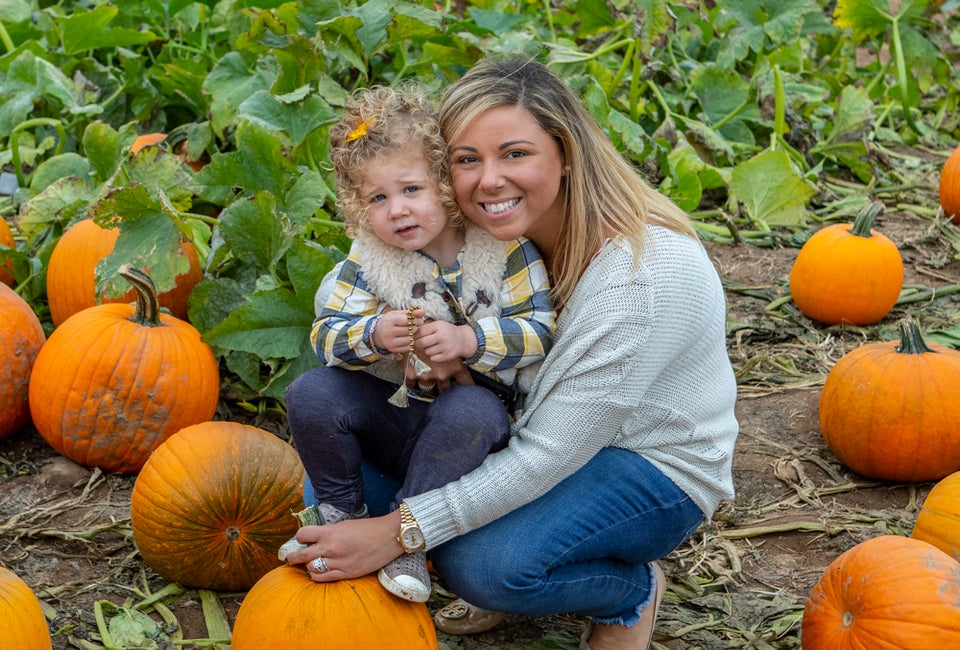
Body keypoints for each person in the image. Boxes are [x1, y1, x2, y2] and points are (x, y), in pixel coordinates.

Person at [284, 57, 738, 650]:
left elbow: (544, 456)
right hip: (521, 431)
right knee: (333, 493)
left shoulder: (640, 282)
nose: (488, 181)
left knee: (484, 565)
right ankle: (451, 547)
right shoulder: (494, 246)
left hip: (643, 462)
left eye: (515, 154)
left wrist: (400, 532)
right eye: (468, 160)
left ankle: (628, 593)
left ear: (567, 152)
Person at [282, 83, 555, 604]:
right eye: (377, 199)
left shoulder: (503, 250)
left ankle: (408, 539)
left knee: (470, 408)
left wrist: (467, 339)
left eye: (411, 190)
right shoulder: (368, 263)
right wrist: (372, 335)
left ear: (445, 184)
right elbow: (325, 334)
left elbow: (539, 330)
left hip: (471, 432)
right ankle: (341, 515)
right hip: (397, 418)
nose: (397, 211)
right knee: (312, 393)